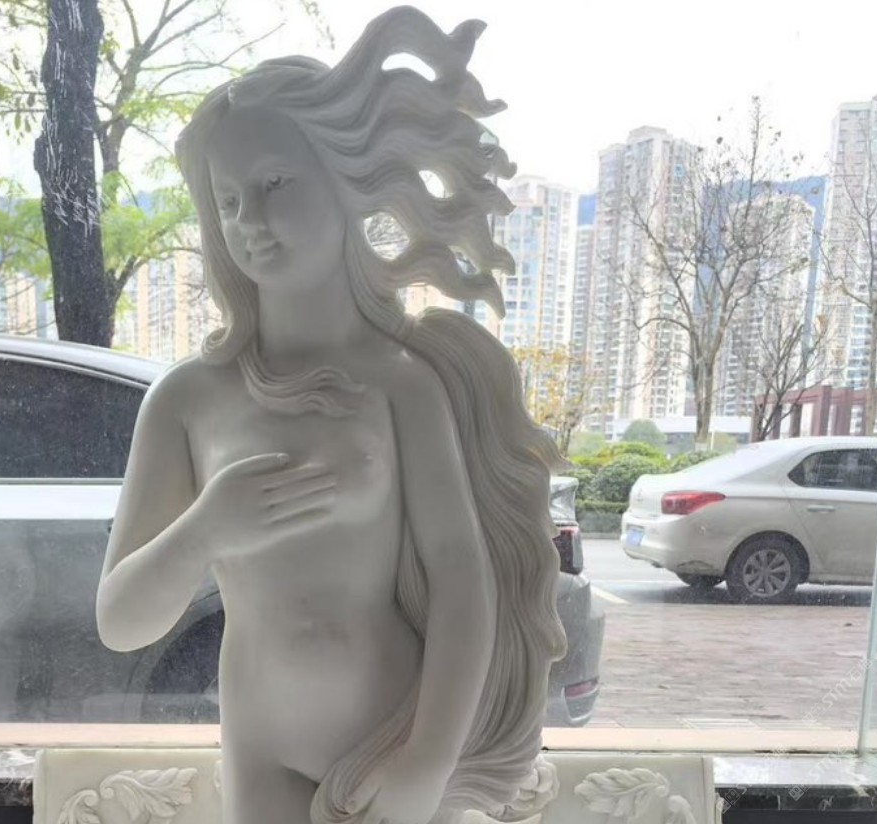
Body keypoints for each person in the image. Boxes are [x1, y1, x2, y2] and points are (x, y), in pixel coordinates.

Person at [95, 8, 566, 824]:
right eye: (228, 199)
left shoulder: (401, 385)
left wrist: (428, 758)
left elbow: (463, 583)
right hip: (259, 744)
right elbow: (119, 622)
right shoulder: (187, 400)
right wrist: (206, 528)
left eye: (275, 184)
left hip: (390, 736)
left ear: (344, 185)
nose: (250, 220)